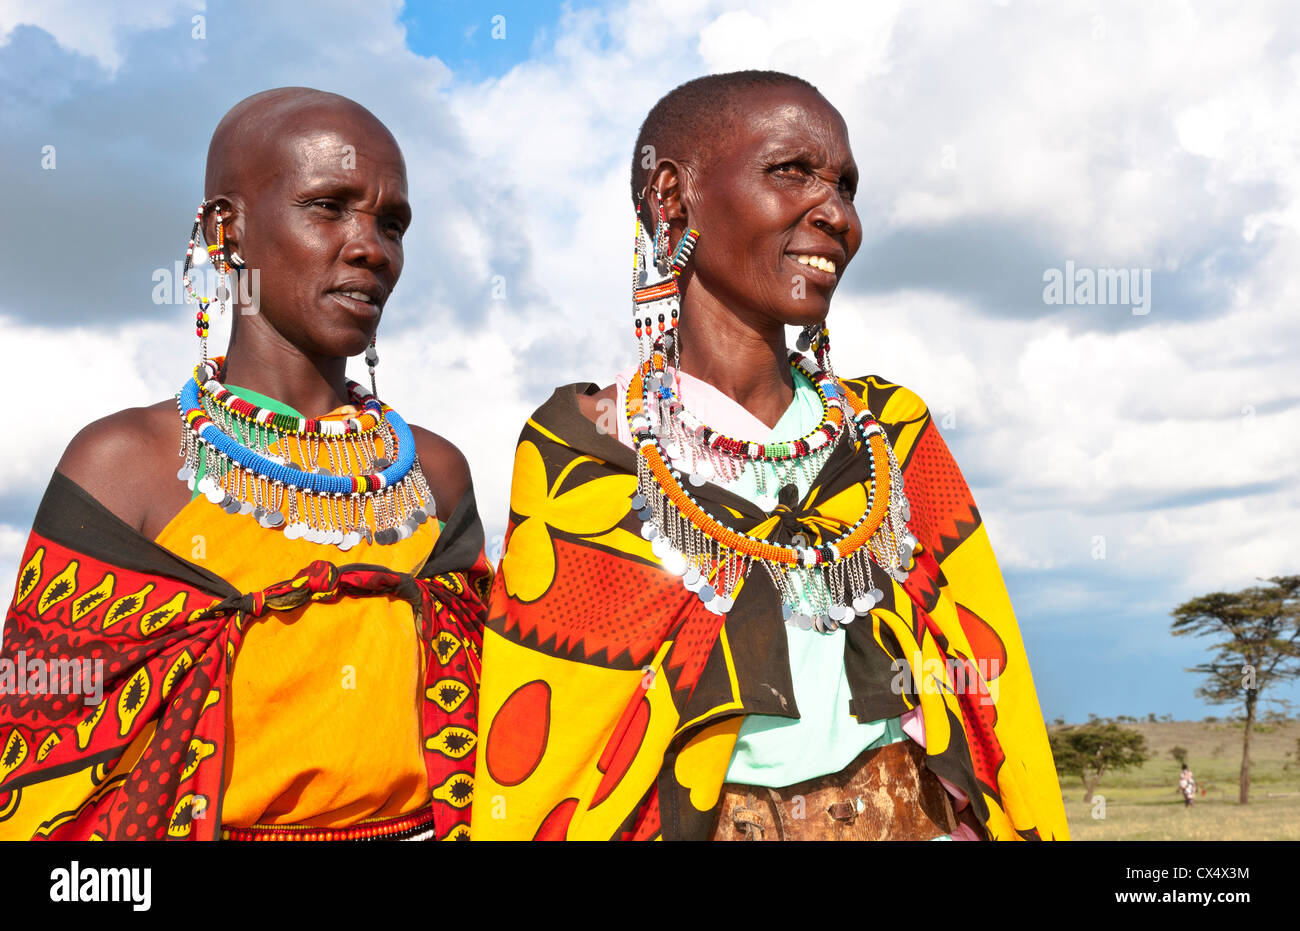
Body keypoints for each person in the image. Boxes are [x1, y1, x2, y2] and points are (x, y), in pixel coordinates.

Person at [472, 71, 1067, 841]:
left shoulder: (889, 433)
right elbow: (551, 746)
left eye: (848, 186)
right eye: (793, 171)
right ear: (672, 197)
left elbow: (989, 687)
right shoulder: (587, 447)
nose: (839, 214)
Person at [0, 88, 489, 841]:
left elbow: (491, 720)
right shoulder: (128, 464)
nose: (372, 247)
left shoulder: (434, 473)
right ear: (227, 229)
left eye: (391, 223)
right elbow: (38, 757)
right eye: (329, 206)